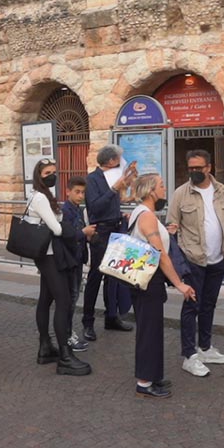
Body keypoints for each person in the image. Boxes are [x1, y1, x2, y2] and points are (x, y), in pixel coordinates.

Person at [165, 149, 224, 377]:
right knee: (191, 307)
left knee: (209, 305)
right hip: (193, 259)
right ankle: (189, 355)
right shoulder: (180, 194)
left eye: (198, 168)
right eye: (191, 168)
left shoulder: (222, 191)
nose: (194, 171)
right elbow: (172, 226)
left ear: (208, 168)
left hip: (217, 259)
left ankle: (205, 347)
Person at [128, 174, 196, 398]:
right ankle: (145, 382)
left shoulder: (143, 214)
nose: (165, 189)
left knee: (152, 329)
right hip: (149, 281)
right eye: (161, 185)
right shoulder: (146, 216)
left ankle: (153, 376)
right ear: (150, 191)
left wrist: (168, 233)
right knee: (149, 331)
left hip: (146, 281)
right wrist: (179, 284)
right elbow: (160, 254)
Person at [25, 160, 91, 375]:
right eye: (47, 172)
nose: (52, 175)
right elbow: (56, 229)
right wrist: (78, 231)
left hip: (47, 255)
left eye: (54, 172)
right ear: (38, 174)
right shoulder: (41, 197)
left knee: (46, 299)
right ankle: (64, 356)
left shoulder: (43, 195)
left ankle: (45, 347)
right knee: (62, 302)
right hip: (50, 256)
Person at [82, 144, 137, 341]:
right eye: (119, 160)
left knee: (113, 275)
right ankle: (87, 322)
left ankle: (111, 316)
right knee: (96, 276)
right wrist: (114, 189)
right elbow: (95, 208)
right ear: (112, 161)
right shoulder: (93, 179)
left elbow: (112, 204)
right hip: (101, 232)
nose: (120, 163)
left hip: (115, 227)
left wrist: (120, 213)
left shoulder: (114, 178)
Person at [60, 176, 93, 352]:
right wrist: (83, 232)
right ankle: (66, 334)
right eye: (77, 192)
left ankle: (66, 332)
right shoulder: (66, 210)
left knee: (73, 296)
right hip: (70, 260)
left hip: (78, 259)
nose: (80, 196)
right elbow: (67, 234)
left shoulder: (78, 209)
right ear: (68, 191)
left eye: (83, 192)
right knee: (70, 298)